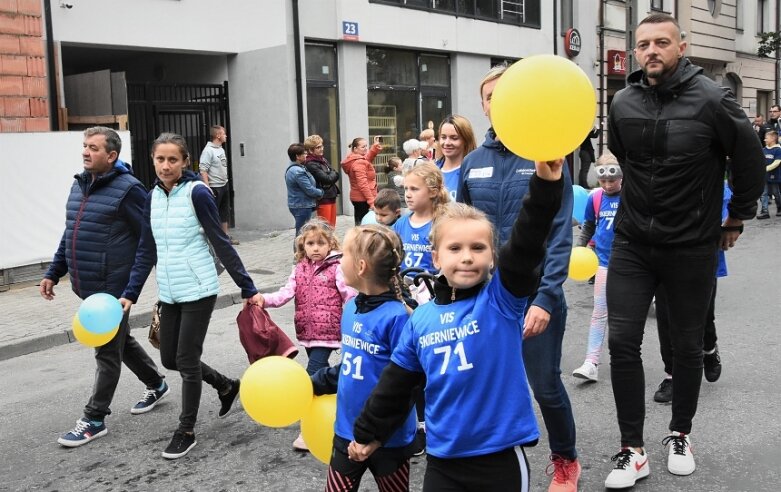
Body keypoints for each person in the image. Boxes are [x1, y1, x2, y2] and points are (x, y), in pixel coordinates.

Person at [603, 13, 765, 488]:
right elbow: (625, 158)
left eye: (661, 42)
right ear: (636, 50)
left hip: (691, 244)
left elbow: (749, 156)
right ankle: (631, 449)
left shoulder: (713, 99)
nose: (651, 50)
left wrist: (737, 215)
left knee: (687, 345)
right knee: (620, 343)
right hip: (633, 242)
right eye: (643, 44)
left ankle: (680, 434)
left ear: (681, 46)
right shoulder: (623, 101)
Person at [348, 159, 564, 492]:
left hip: (499, 459)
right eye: (455, 248)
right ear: (436, 258)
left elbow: (526, 242)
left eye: (478, 248)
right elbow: (398, 383)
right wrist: (370, 433)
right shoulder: (420, 319)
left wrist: (545, 185)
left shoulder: (500, 300)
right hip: (443, 461)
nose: (466, 257)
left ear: (493, 257)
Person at [458, 64, 580, 492]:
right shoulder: (473, 163)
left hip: (534, 297)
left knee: (544, 386)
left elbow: (561, 232)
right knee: (486, 381)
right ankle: (492, 460)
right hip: (487, 299)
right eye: (491, 97)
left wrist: (546, 297)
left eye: (506, 94)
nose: (497, 103)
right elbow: (461, 231)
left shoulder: (547, 157)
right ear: (485, 106)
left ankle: (566, 461)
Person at [120, 133, 263, 460]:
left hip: (199, 288)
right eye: (160, 159)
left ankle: (186, 430)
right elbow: (146, 249)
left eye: (173, 159)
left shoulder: (198, 193)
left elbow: (220, 241)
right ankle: (227, 385)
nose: (166, 166)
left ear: (185, 161)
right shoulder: (151, 196)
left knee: (185, 360)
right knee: (169, 358)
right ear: (153, 160)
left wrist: (247, 285)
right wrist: (130, 293)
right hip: (170, 290)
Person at [41, 127, 169, 449]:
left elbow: (147, 241)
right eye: (84, 146)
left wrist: (132, 289)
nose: (85, 152)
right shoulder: (80, 184)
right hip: (88, 286)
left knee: (107, 351)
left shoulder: (129, 190)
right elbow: (71, 232)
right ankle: (155, 383)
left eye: (93, 148)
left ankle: (94, 419)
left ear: (111, 156)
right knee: (120, 341)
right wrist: (54, 272)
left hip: (113, 289)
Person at [310, 225, 416, 492]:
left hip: (388, 441)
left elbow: (406, 387)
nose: (336, 259)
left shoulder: (399, 318)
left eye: (342, 254)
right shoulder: (350, 308)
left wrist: (376, 439)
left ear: (360, 267)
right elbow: (353, 366)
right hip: (346, 430)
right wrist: (313, 382)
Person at [259, 218, 357, 450]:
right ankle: (340, 408)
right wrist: (263, 300)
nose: (315, 248)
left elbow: (350, 296)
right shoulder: (299, 269)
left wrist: (356, 322)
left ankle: (307, 429)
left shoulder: (336, 268)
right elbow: (284, 294)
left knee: (311, 378)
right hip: (307, 332)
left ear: (330, 244)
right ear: (303, 246)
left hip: (328, 332)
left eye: (320, 243)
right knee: (322, 374)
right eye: (310, 243)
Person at [571, 155, 622, 383]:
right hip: (604, 263)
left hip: (632, 265)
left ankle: (625, 359)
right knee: (599, 313)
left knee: (627, 316)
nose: (608, 185)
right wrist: (580, 248)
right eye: (603, 181)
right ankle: (591, 362)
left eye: (613, 180)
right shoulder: (596, 198)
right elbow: (589, 225)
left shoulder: (632, 195)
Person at [394, 163, 449, 276]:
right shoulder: (400, 224)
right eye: (406, 189)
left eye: (414, 189)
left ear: (433, 192)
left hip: (431, 287)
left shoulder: (443, 224)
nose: (408, 195)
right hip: (404, 287)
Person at [199, 125, 238, 245]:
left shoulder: (221, 149)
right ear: (218, 135)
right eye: (224, 133)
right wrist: (207, 187)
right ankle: (214, 239)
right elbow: (203, 169)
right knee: (213, 214)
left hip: (224, 184)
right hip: (214, 187)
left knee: (224, 213)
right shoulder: (208, 151)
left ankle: (225, 237)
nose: (226, 136)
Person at [342, 136, 383, 225]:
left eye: (366, 146)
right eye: (363, 147)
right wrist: (371, 202)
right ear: (355, 149)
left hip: (359, 198)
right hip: (363, 199)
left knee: (360, 223)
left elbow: (366, 159)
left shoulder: (355, 159)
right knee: (363, 226)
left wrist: (374, 147)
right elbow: (363, 184)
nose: (365, 149)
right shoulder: (359, 163)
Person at [285, 143, 323, 237]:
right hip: (302, 206)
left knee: (303, 232)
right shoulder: (298, 171)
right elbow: (309, 189)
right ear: (297, 156)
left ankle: (301, 251)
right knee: (302, 234)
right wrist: (321, 192)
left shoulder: (296, 168)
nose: (306, 155)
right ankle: (299, 251)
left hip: (299, 205)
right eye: (304, 154)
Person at [436, 114, 477, 201]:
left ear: (466, 140)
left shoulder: (473, 172)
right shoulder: (431, 170)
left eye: (454, 138)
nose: (447, 143)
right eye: (443, 137)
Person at [304, 134, 340, 227]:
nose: (322, 148)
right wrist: (332, 175)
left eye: (322, 146)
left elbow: (336, 173)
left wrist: (332, 175)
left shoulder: (322, 160)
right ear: (310, 150)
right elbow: (327, 179)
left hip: (331, 195)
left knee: (332, 227)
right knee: (325, 228)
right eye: (318, 147)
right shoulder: (310, 163)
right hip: (323, 198)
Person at [758, 129, 781, 219]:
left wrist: (765, 169)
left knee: (776, 193)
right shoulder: (763, 150)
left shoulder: (778, 150)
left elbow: (777, 162)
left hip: (774, 176)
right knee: (764, 193)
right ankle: (764, 211)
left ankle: (779, 207)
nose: (764, 140)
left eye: (766, 138)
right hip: (764, 176)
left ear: (773, 138)